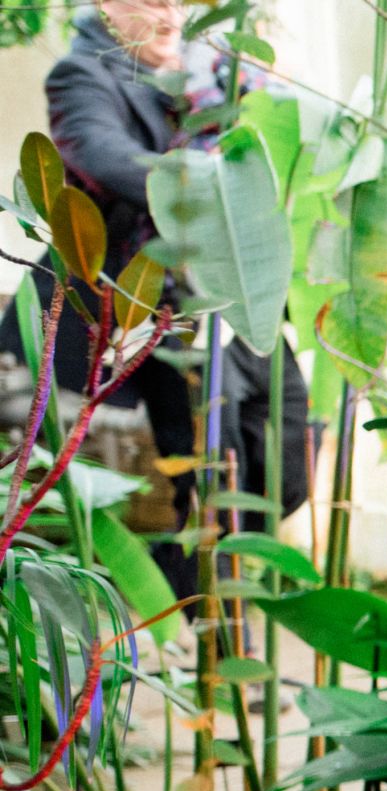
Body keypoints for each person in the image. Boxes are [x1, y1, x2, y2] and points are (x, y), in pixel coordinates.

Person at [17, 0, 310, 600]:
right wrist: (216, 187)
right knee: (208, 472)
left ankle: (160, 585)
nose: (171, 15)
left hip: (239, 295)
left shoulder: (206, 70)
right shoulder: (82, 75)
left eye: (180, 2)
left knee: (287, 466)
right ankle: (215, 638)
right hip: (161, 312)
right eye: (153, 2)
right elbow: (102, 157)